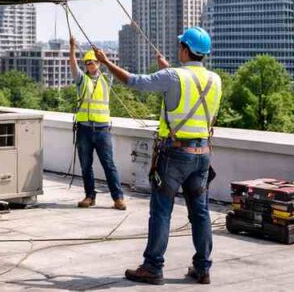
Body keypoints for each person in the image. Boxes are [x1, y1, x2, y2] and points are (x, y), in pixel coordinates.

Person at [95, 27, 222, 286]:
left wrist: (105, 62)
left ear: (185, 50)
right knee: (200, 213)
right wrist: (168, 69)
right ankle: (203, 268)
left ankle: (153, 267)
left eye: (180, 47)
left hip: (174, 155)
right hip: (202, 155)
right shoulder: (215, 79)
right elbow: (190, 90)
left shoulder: (172, 77)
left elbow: (133, 81)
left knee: (162, 212)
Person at [68, 36, 126, 210]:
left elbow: (113, 70)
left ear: (98, 63)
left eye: (92, 62)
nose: (89, 65)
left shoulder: (106, 79)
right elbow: (72, 66)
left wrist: (104, 59)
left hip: (102, 129)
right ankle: (89, 196)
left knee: (109, 164)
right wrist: (72, 48)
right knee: (86, 166)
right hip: (84, 129)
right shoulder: (82, 80)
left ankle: (118, 198)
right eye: (87, 63)